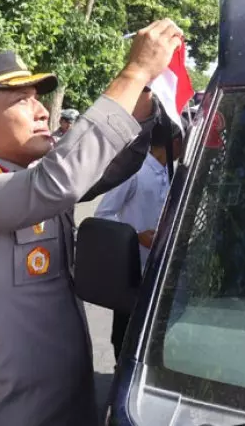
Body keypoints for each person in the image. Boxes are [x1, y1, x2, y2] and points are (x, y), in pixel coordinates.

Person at [0, 19, 185, 426]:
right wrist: (132, 72)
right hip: (9, 414)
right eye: (22, 100)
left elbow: (113, 165)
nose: (41, 110)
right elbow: (59, 182)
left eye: (37, 98)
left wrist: (145, 98)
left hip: (72, 405)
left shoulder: (33, 178)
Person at [94, 121, 179, 361]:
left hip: (159, 267)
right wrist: (136, 234)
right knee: (125, 333)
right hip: (132, 269)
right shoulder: (134, 172)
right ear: (174, 143)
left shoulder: (170, 173)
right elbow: (103, 215)